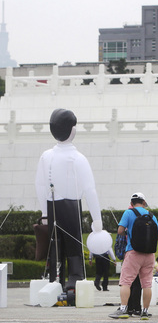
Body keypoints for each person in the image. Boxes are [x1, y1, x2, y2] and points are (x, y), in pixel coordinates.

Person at [35, 109, 103, 291]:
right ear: (72, 130)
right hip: (71, 205)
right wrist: (97, 219)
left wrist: (44, 212)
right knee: (74, 245)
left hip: (52, 206)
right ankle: (74, 278)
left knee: (55, 245)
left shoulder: (46, 156)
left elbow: (40, 186)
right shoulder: (77, 158)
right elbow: (90, 189)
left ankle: (55, 279)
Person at [109, 192, 158, 320]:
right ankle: (145, 311)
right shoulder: (151, 216)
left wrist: (129, 230)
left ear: (131, 203)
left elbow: (120, 231)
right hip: (149, 255)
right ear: (144, 202)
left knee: (126, 282)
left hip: (133, 252)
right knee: (147, 284)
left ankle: (123, 309)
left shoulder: (129, 213)